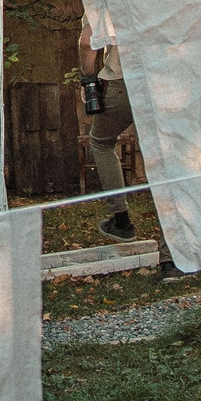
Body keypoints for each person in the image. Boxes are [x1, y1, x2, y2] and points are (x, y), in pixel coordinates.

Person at [78, 22, 140, 243]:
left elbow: (87, 42)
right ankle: (170, 258)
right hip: (162, 78)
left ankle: (122, 222)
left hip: (120, 81)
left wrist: (87, 80)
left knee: (101, 143)